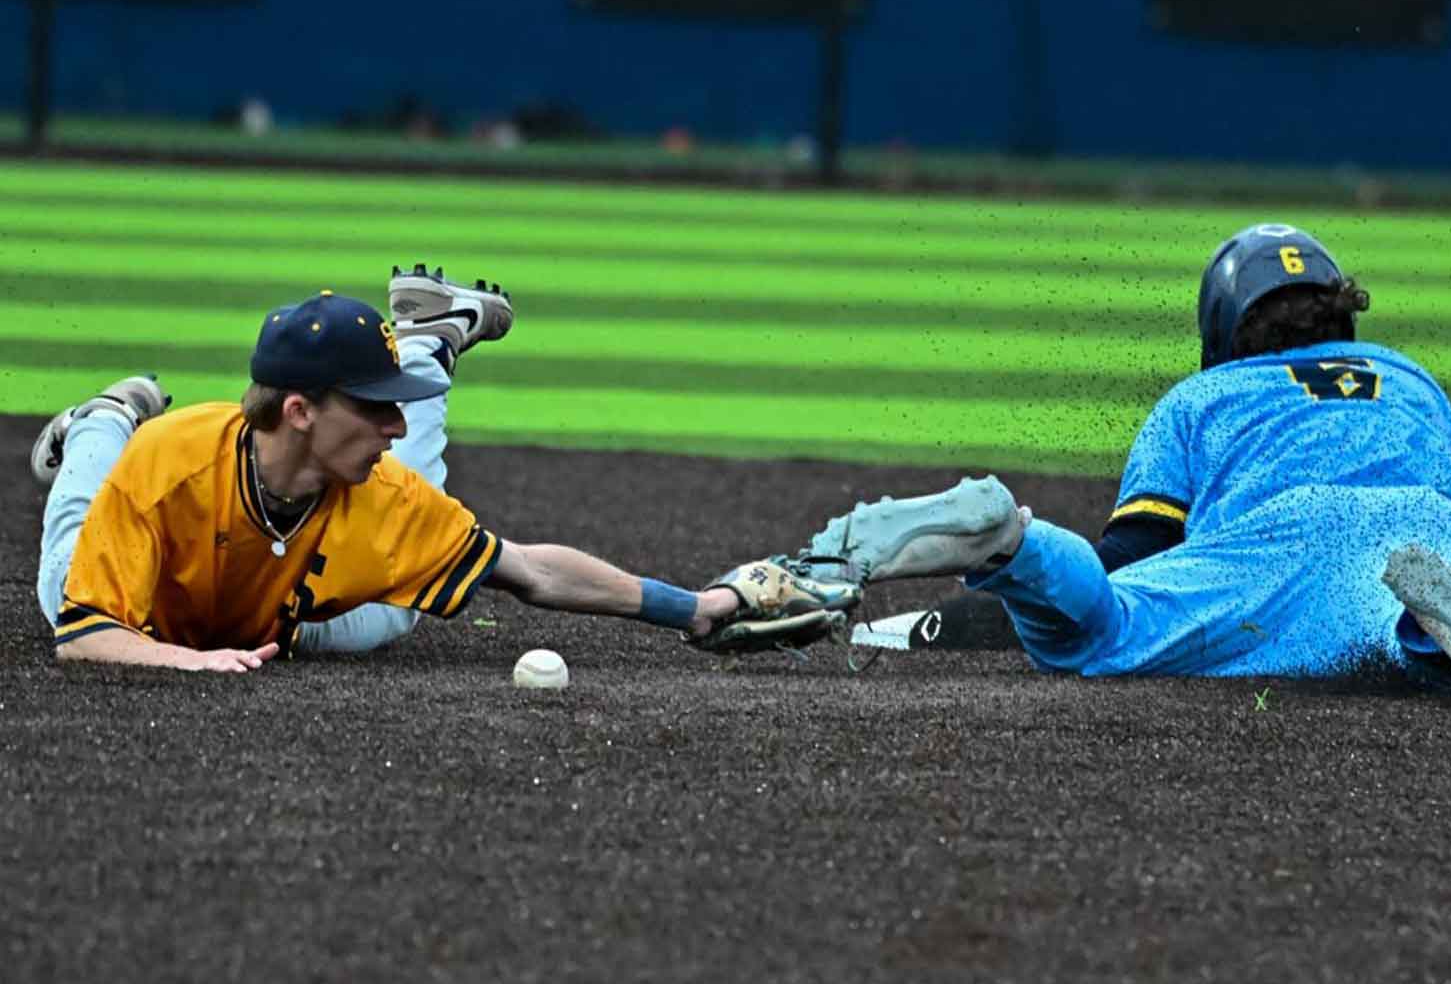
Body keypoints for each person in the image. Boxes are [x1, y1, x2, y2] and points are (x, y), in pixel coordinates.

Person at [780, 223, 1451, 708]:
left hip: (1288, 541)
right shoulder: (1413, 379)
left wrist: (987, 611)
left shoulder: (1203, 397)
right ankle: (1425, 629)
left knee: (1101, 634)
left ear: (1223, 325)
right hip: (1430, 532)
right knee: (1398, 638)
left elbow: (1128, 561)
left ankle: (1010, 543)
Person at [32, 266, 852, 673]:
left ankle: (426, 339)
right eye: (375, 405)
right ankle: (104, 414)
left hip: (268, 612)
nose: (397, 422)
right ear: (298, 411)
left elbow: (526, 570)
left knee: (385, 620)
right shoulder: (170, 467)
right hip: (149, 597)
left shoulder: (379, 494)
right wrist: (192, 661)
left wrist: (697, 609)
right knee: (60, 575)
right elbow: (86, 638)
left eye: (401, 400)